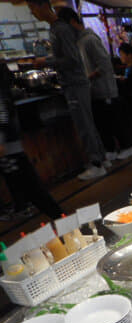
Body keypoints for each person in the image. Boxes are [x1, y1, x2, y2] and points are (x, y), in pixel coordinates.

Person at [26, 0, 107, 180]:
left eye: (32, 8)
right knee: (87, 123)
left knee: (84, 124)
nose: (32, 13)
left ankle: (97, 163)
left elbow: (71, 59)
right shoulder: (56, 28)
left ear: (42, 6)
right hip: (75, 83)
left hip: (75, 83)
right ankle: (101, 159)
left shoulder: (61, 29)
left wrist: (45, 62)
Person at [57, 7, 132, 163]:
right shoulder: (78, 42)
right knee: (102, 123)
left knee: (113, 120)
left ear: (73, 22)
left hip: (105, 89)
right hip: (93, 90)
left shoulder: (90, 39)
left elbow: (105, 65)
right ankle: (110, 150)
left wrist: (88, 78)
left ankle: (127, 148)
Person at [0, 63, 63, 221]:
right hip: (11, 147)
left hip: (8, 149)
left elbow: (2, 119)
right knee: (28, 185)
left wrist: (0, 142)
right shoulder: (5, 93)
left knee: (31, 186)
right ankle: (58, 216)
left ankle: (61, 218)